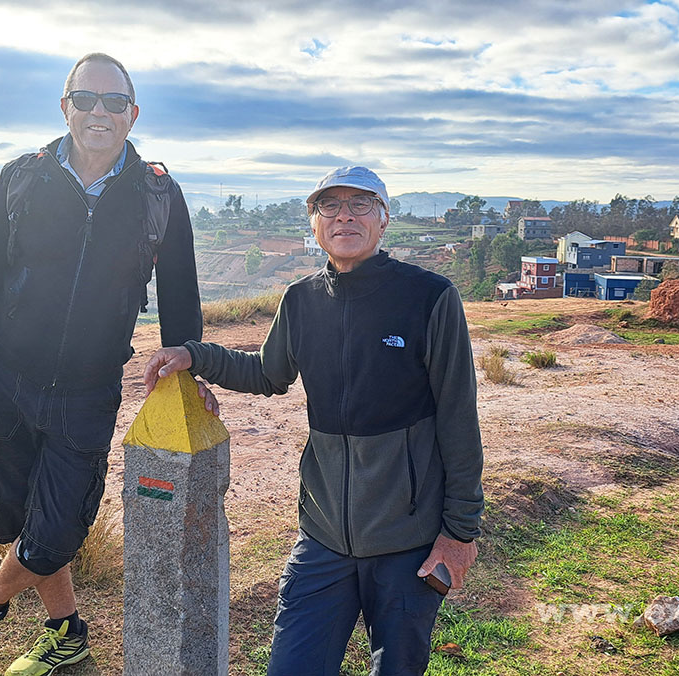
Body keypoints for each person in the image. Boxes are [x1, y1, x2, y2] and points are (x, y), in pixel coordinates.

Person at [0, 52, 213, 676]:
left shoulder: (158, 193)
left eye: (115, 103)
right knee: (17, 518)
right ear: (66, 107)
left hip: (88, 388)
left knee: (58, 529)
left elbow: (181, 293)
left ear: (133, 114)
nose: (99, 113)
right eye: (86, 99)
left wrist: (189, 370)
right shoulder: (20, 178)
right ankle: (66, 633)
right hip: (6, 377)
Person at [143, 166, 484, 675]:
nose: (344, 214)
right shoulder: (300, 301)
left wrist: (460, 533)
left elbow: (459, 415)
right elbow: (267, 373)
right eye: (330, 205)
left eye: (360, 204)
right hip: (322, 536)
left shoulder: (429, 297)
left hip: (406, 538)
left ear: (384, 219)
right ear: (316, 223)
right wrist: (196, 355)